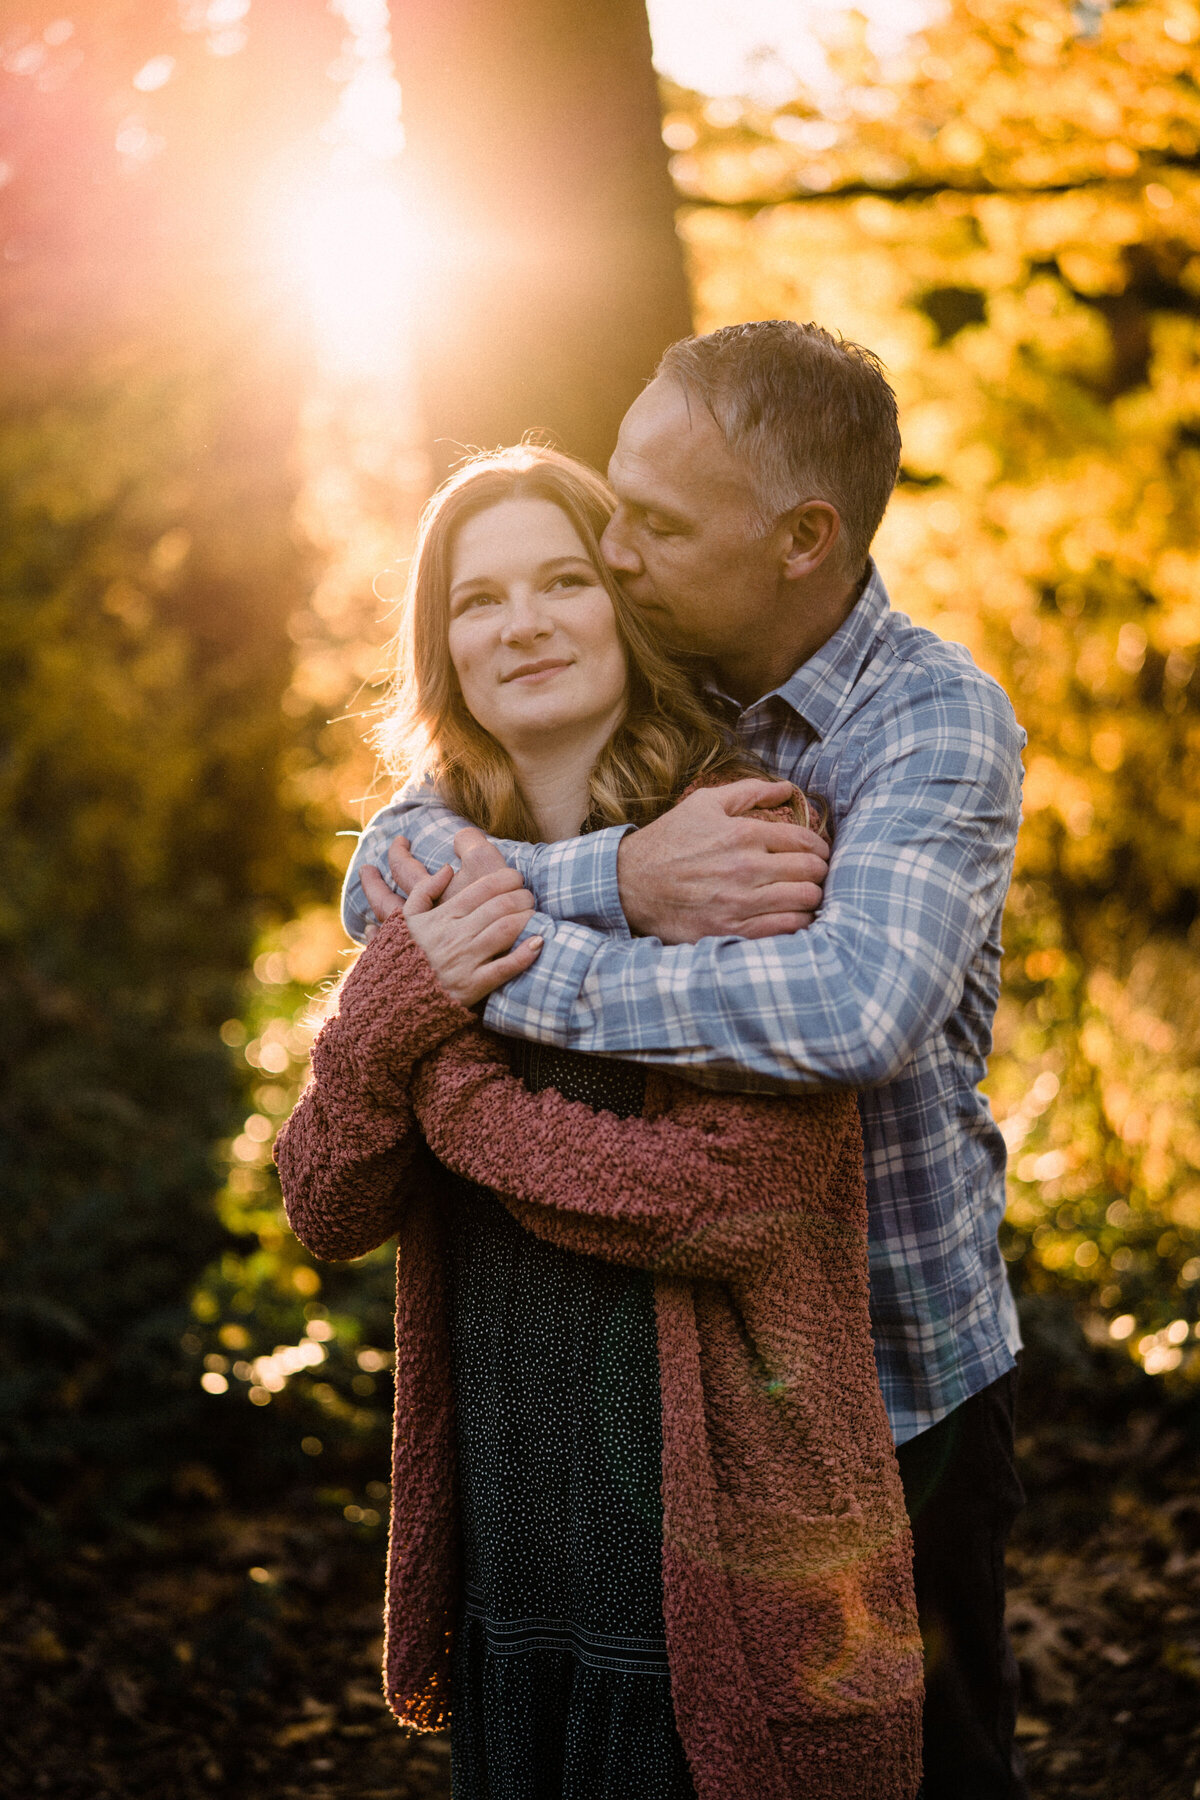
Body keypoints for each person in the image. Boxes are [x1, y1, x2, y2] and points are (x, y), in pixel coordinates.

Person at [346, 321, 1030, 1800]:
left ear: (801, 538)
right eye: (616, 504)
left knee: (923, 1764)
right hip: (662, 1394)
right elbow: (392, 861)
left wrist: (485, 995)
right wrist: (620, 883)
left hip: (900, 1367)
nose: (616, 552)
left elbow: (849, 1014)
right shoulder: (648, 651)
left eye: (648, 525)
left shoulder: (932, 721)